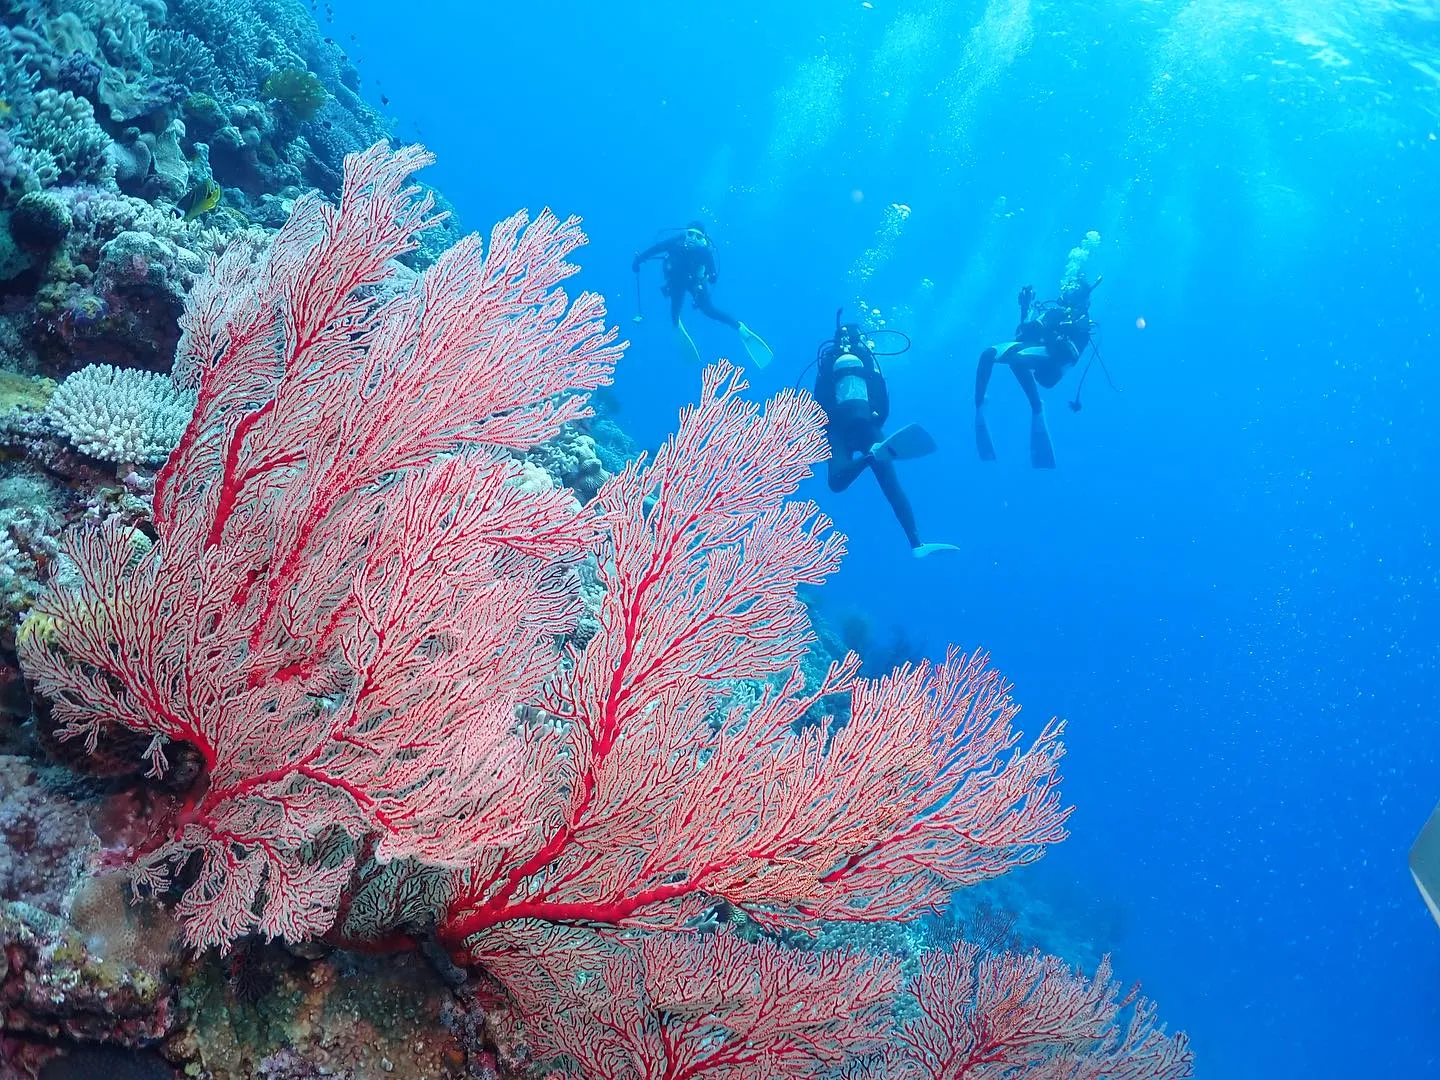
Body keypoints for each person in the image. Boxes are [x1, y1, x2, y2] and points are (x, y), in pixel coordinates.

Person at [812, 315, 957, 559]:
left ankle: (869, 458)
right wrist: (875, 422)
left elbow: (818, 402)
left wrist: (829, 429)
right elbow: (882, 398)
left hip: (837, 430)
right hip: (869, 427)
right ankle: (916, 543)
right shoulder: (868, 359)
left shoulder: (827, 360)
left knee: (836, 482)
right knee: (892, 488)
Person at [975, 272, 1100, 468]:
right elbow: (1021, 335)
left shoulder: (1080, 322)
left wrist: (1056, 330)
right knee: (988, 355)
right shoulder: (1057, 314)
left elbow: (1063, 354)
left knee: (1014, 360)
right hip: (1040, 350)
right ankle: (985, 407)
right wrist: (1025, 307)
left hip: (1051, 363)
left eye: (1072, 289)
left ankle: (1035, 407)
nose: (1066, 291)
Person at [631, 222, 774, 368]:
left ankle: (740, 328)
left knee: (709, 310)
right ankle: (677, 324)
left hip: (695, 283)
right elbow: (654, 250)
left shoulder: (705, 252)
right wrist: (638, 261)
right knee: (674, 312)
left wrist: (708, 275)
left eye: (698, 236)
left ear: (703, 239)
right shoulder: (675, 243)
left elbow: (713, 278)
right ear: (685, 233)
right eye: (690, 234)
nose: (693, 238)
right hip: (676, 282)